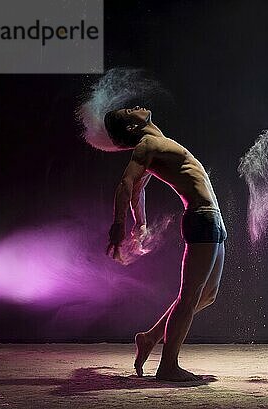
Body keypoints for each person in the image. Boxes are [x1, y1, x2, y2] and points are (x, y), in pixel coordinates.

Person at [104, 106, 227, 381]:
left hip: (214, 220)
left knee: (207, 296)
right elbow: (127, 184)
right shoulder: (147, 144)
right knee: (190, 296)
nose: (136, 107)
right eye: (129, 111)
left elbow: (138, 191)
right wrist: (119, 225)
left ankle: (149, 339)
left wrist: (142, 223)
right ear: (133, 127)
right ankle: (168, 366)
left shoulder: (156, 143)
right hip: (201, 217)